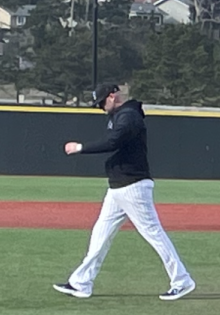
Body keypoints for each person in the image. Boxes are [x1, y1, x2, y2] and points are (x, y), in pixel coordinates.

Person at [52, 83, 197, 301]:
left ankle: (182, 280)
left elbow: (113, 141)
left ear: (113, 96)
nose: (101, 107)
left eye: (102, 102)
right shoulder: (120, 115)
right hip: (118, 188)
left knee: (154, 234)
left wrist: (81, 148)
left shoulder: (129, 116)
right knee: (100, 235)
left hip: (133, 186)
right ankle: (81, 283)